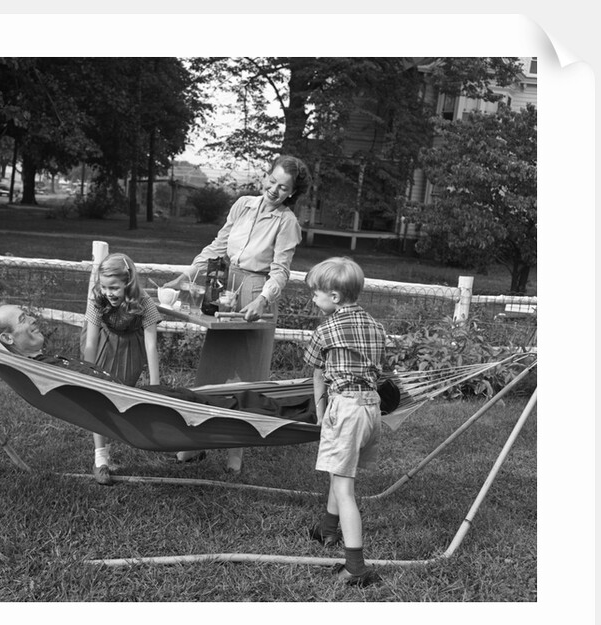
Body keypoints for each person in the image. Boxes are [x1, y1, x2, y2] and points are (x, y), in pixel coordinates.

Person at [163, 154, 312, 472]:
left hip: (256, 296)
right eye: (272, 181)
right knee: (212, 371)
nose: (274, 189)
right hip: (225, 286)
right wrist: (186, 276)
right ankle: (194, 444)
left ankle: (235, 455)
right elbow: (217, 247)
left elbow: (281, 271)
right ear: (266, 176)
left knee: (248, 379)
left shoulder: (287, 223)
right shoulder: (243, 205)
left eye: (283, 187)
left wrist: (263, 301)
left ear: (292, 193)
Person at [302, 257, 387, 587]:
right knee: (341, 471)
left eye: (316, 293)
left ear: (334, 296)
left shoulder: (325, 329)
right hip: (371, 408)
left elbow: (316, 372)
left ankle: (355, 567)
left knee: (344, 487)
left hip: (346, 408)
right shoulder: (376, 326)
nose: (313, 298)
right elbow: (380, 369)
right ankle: (327, 531)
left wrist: (321, 413)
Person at [83, 253, 162, 485]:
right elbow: (91, 342)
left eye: (114, 287)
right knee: (98, 397)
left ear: (128, 283)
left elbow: (151, 344)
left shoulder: (144, 302)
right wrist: (88, 372)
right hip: (103, 344)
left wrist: (155, 386)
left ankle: (111, 440)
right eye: (105, 287)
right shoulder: (98, 298)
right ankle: (100, 457)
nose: (109, 292)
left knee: (119, 399)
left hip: (130, 348)